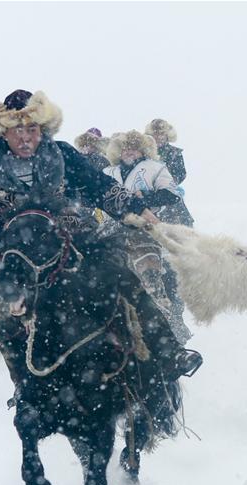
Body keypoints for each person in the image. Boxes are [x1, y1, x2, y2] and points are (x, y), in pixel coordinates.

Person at [0, 88, 201, 380]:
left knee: (122, 277)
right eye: (16, 130)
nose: (24, 137)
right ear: (3, 132)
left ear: (42, 128)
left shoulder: (63, 155)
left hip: (70, 238)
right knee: (9, 315)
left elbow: (101, 188)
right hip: (15, 249)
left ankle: (169, 351)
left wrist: (135, 208)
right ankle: (24, 389)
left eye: (31, 129)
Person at [103, 130, 191, 341]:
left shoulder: (155, 168)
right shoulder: (108, 172)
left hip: (145, 231)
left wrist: (147, 197)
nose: (128, 151)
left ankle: (168, 334)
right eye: (124, 148)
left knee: (151, 281)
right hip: (112, 235)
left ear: (142, 149)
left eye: (133, 147)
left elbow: (172, 195)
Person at [144, 118, 193, 226]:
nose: (158, 137)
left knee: (182, 217)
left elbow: (181, 173)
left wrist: (169, 182)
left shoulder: (175, 153)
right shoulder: (144, 152)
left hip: (169, 190)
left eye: (161, 133)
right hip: (146, 189)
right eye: (155, 134)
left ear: (167, 135)